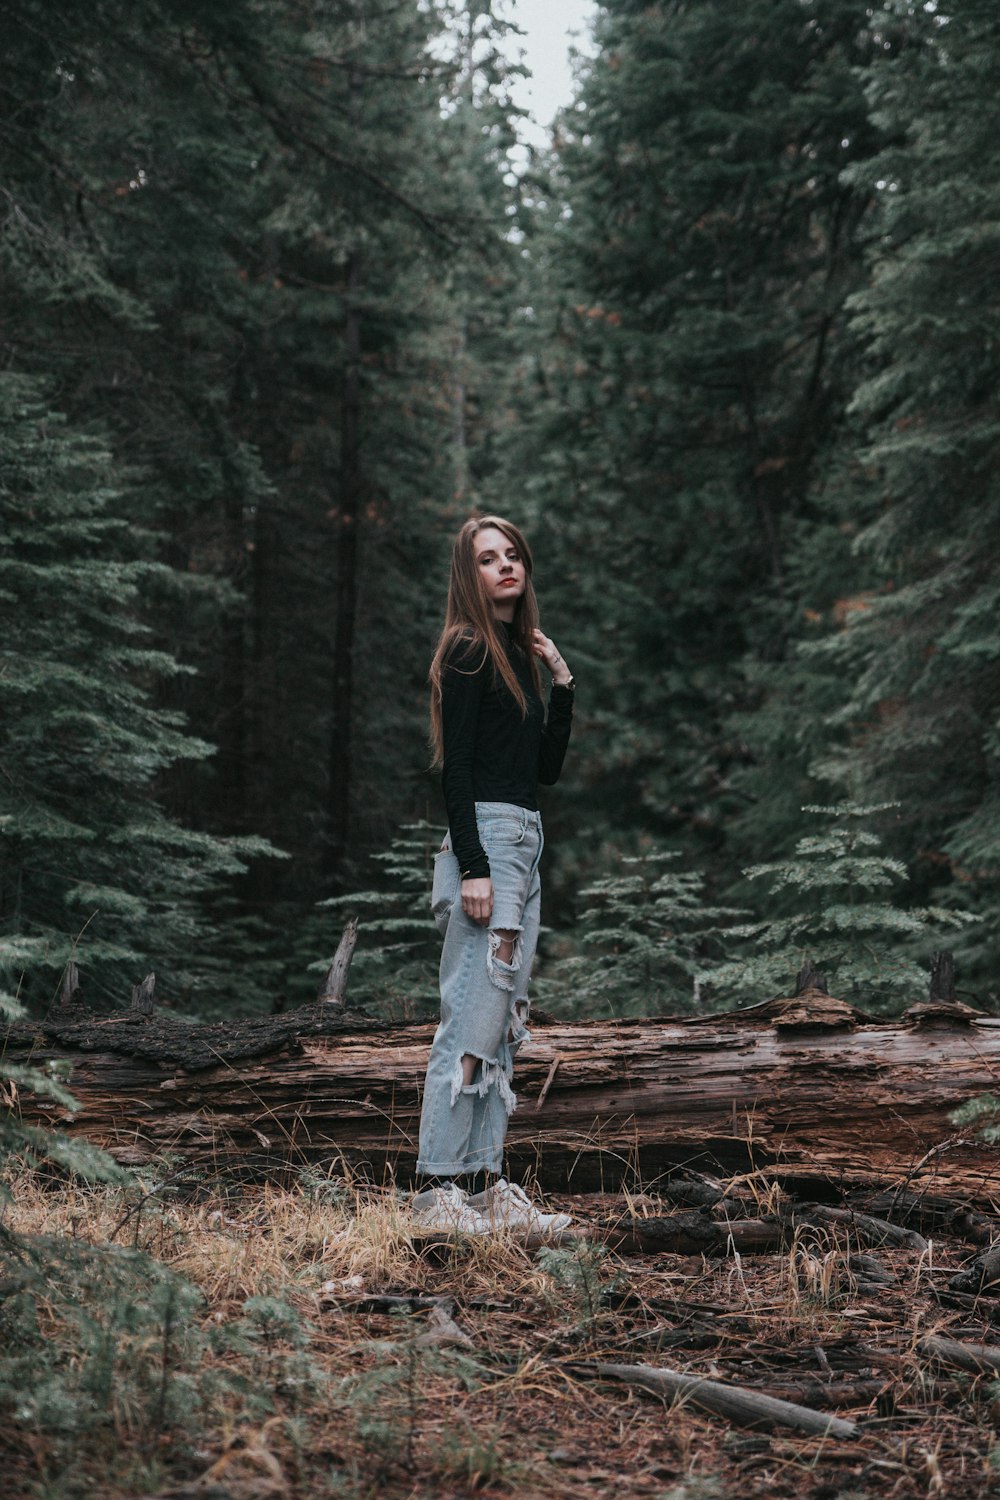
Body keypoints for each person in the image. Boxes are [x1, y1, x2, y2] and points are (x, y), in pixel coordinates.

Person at [411, 514, 575, 1236]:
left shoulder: (513, 652)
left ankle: (485, 1186)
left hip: (524, 842)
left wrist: (562, 683)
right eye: (488, 558)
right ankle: (434, 1190)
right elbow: (460, 772)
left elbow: (544, 770)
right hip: (490, 844)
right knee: (468, 1018)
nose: (505, 566)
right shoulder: (469, 648)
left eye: (513, 555)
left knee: (501, 1026)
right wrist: (474, 867)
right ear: (468, 574)